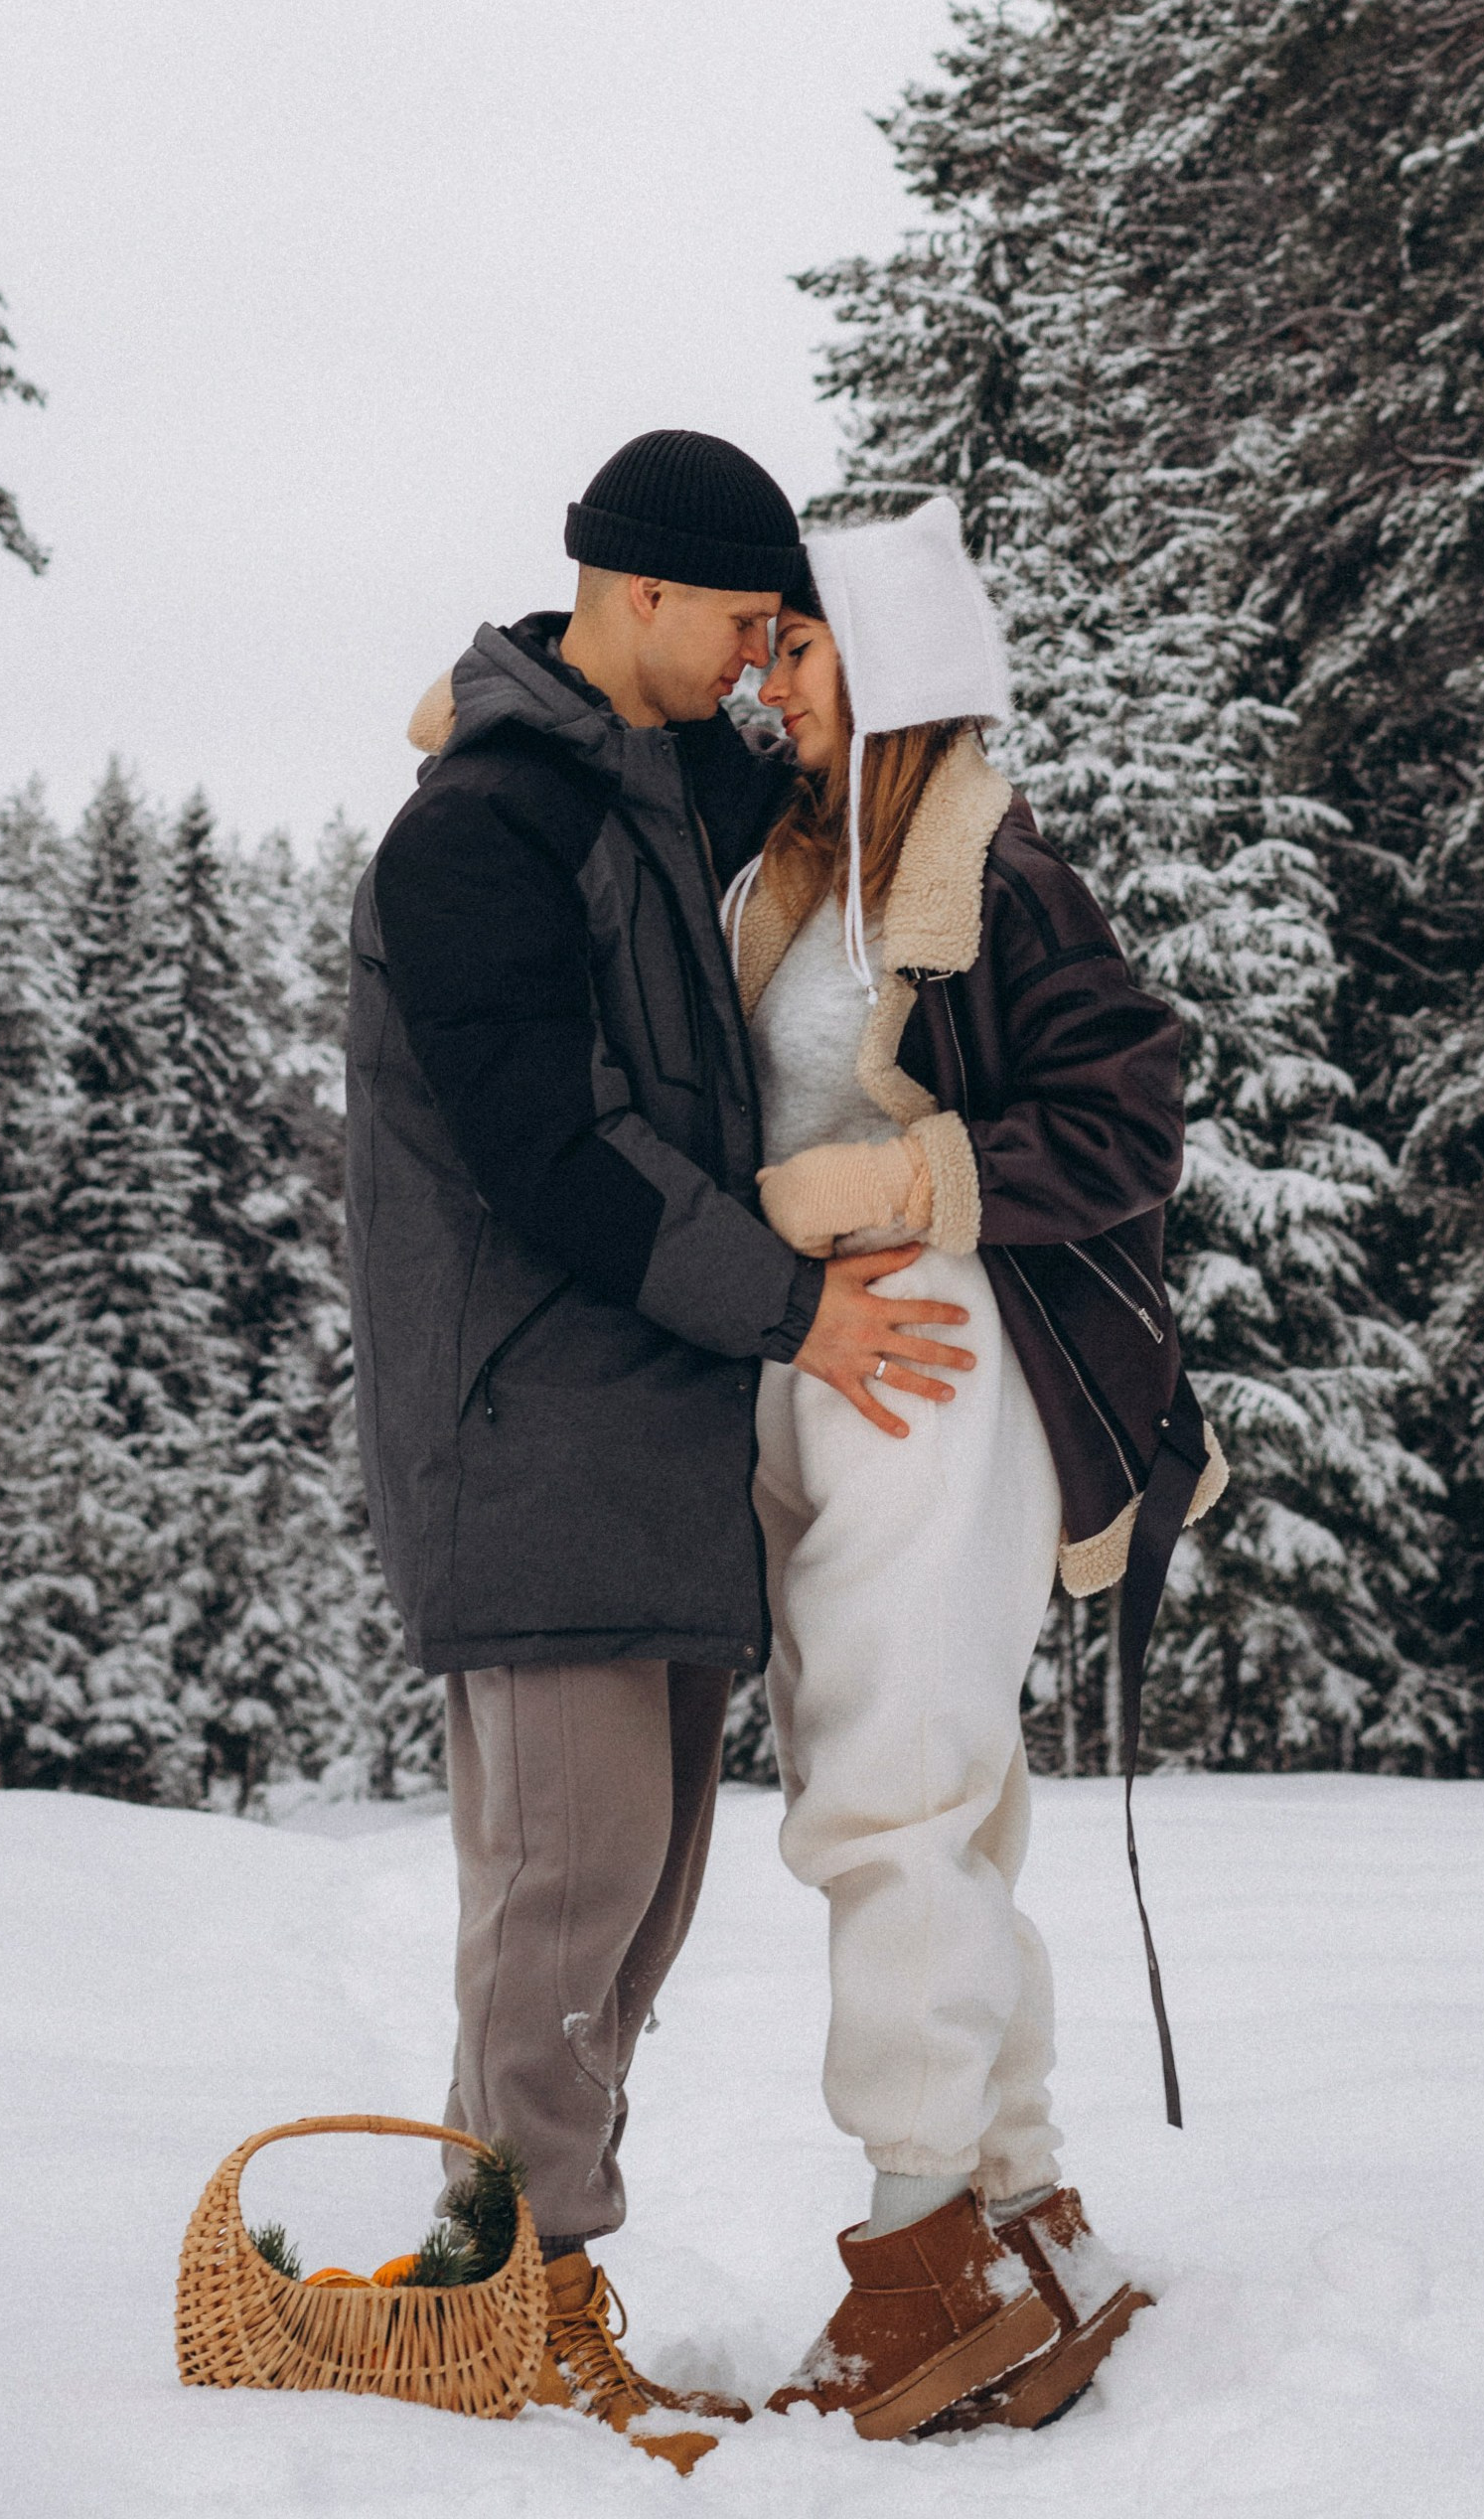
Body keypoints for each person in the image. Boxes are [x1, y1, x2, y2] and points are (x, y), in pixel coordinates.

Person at [347, 430, 974, 2473]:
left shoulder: (639, 785)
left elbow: (847, 751)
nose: (761, 667)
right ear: (638, 594)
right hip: (530, 1426)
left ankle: (512, 2291)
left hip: (646, 1430)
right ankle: (501, 2306)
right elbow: (556, 1157)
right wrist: (796, 1304)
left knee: (636, 1898)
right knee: (566, 1889)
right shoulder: (479, 842)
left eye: (786, 633)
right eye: (743, 624)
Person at [728, 495, 1226, 2443]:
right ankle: (1018, 2212)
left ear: (891, 661)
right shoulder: (809, 865)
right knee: (939, 1784)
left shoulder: (991, 868)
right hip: (835, 1374)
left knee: (893, 1790)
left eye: (801, 645)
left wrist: (899, 1179)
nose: (768, 678)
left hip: (937, 1364)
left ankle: (923, 2251)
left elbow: (1130, 1110)